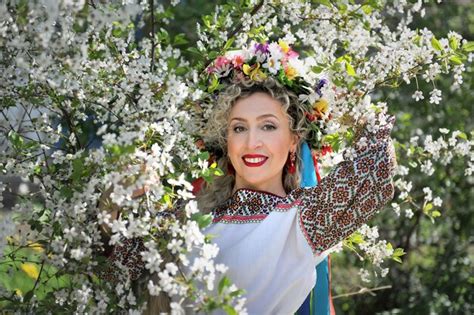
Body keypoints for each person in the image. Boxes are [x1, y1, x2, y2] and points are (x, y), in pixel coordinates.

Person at [99, 40, 397, 314]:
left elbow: (376, 166)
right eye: (239, 128)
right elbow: (112, 268)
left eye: (268, 126)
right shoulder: (188, 216)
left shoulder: (304, 220)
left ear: (294, 139)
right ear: (225, 139)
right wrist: (113, 198)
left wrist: (342, 102)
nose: (252, 142)